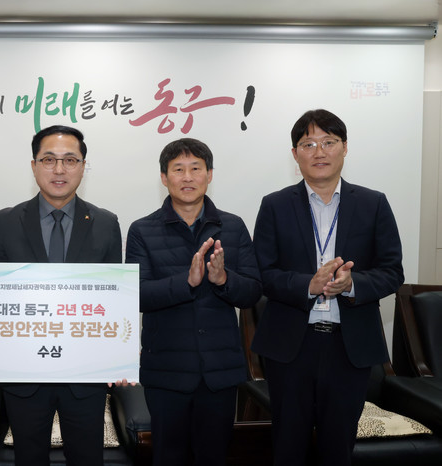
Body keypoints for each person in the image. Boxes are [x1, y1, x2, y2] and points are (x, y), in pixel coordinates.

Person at [251, 109, 404, 466]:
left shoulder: (373, 203)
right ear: (295, 154)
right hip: (291, 347)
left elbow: (392, 271)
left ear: (344, 147)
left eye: (329, 142)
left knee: (338, 449)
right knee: (288, 448)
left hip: (348, 347)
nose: (319, 152)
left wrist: (352, 285)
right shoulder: (274, 205)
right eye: (308, 144)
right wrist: (308, 284)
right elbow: (263, 274)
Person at [0, 125, 123, 465]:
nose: (59, 169)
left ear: (83, 166)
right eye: (49, 159)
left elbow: (112, 300)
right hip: (24, 375)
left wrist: (118, 353)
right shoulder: (5, 222)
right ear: (34, 166)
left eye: (70, 160)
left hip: (86, 375)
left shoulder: (106, 223)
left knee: (87, 459)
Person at [125, 138, 262, 465]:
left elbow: (253, 291)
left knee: (214, 457)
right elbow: (136, 295)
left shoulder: (232, 226)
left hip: (220, 372)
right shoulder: (142, 230)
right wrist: (186, 282)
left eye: (195, 168)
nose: (187, 177)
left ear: (209, 174)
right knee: (168, 457)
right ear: (164, 177)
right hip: (166, 373)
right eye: (178, 169)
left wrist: (223, 280)